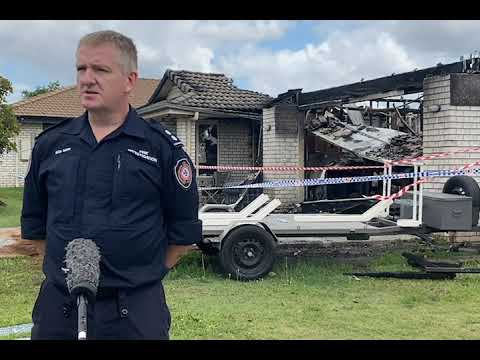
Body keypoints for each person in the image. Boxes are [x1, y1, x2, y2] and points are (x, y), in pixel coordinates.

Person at [21, 30, 202, 340]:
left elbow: (182, 233)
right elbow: (36, 228)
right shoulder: (50, 146)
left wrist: (137, 277)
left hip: (134, 312)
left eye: (100, 70)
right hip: (59, 309)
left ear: (130, 80)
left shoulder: (161, 150)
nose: (87, 79)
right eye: (81, 69)